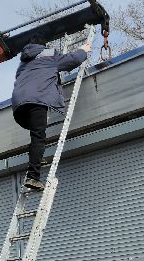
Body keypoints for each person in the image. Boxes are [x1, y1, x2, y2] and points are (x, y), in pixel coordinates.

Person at [11, 37, 92, 191]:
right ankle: (33, 177)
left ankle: (37, 159)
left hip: (18, 105)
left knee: (36, 136)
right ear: (43, 45)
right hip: (36, 99)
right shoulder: (47, 53)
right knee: (38, 137)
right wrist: (84, 50)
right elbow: (72, 60)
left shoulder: (23, 62)